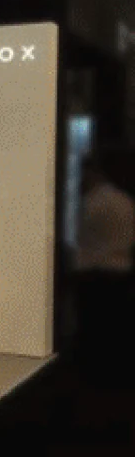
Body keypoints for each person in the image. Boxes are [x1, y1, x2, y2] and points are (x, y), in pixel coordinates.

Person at [74, 153, 135, 372]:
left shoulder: (91, 202)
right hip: (121, 271)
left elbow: (81, 238)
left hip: (95, 274)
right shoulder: (124, 200)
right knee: (114, 329)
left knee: (95, 329)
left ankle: (94, 372)